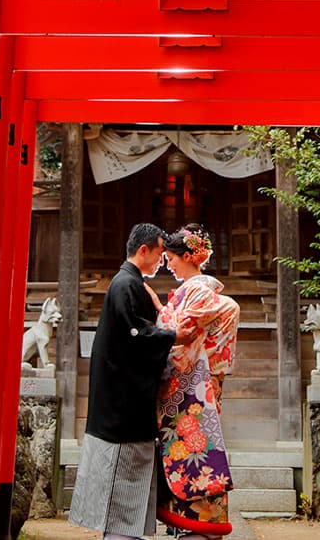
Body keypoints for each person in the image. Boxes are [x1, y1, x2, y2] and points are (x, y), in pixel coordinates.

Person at [69, 223, 198, 540]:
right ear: (143, 251)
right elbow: (135, 335)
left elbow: (138, 330)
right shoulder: (125, 285)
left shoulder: (129, 284)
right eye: (157, 254)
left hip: (126, 403)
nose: (160, 261)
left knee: (128, 499)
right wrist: (173, 335)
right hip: (121, 410)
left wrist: (160, 314)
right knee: (120, 498)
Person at [145, 224, 240, 540]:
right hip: (196, 383)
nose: (168, 264)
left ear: (187, 256)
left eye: (171, 258)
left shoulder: (198, 290)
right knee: (191, 451)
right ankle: (198, 523)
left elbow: (178, 332)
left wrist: (160, 314)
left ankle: (199, 524)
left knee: (193, 452)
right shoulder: (197, 290)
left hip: (192, 386)